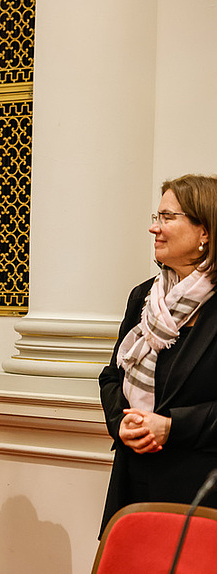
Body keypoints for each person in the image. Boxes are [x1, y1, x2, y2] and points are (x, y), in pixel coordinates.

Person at [99, 174, 217, 532]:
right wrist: (123, 423)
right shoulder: (144, 296)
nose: (155, 228)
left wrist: (171, 427)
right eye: (157, 217)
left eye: (167, 217)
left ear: (205, 232)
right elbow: (111, 376)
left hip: (201, 492)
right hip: (134, 481)